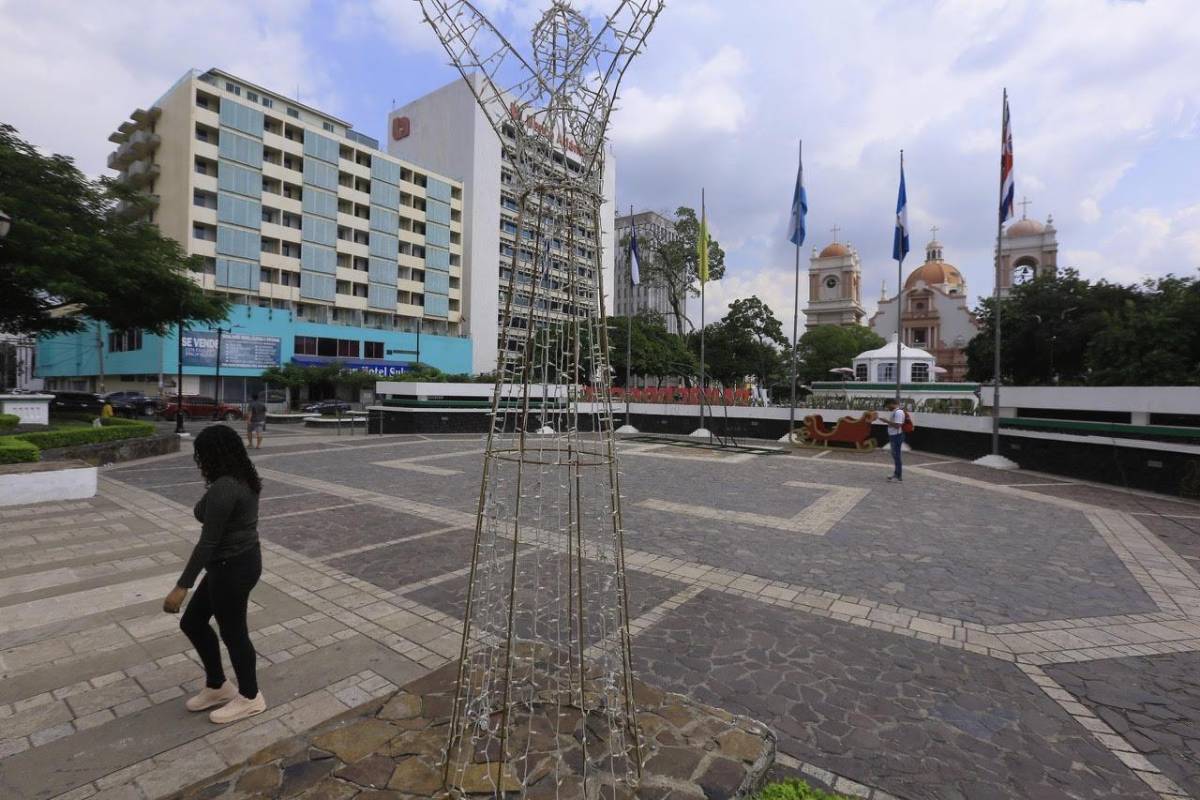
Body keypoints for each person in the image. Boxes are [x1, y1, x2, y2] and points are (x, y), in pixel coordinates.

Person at [162, 425, 267, 724]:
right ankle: (218, 685)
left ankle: (250, 696)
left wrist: (182, 586)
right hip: (238, 561)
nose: (199, 461)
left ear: (211, 455)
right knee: (193, 622)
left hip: (232, 566)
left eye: (201, 455)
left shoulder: (225, 487)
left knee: (234, 633)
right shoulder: (241, 478)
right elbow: (202, 512)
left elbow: (207, 540)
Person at [885, 399, 906, 482]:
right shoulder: (896, 412)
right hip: (894, 436)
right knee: (895, 455)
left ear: (891, 404)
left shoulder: (898, 412)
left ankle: (898, 476)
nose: (887, 408)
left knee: (897, 456)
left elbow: (898, 425)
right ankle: (896, 474)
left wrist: (886, 421)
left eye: (887, 406)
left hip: (896, 436)